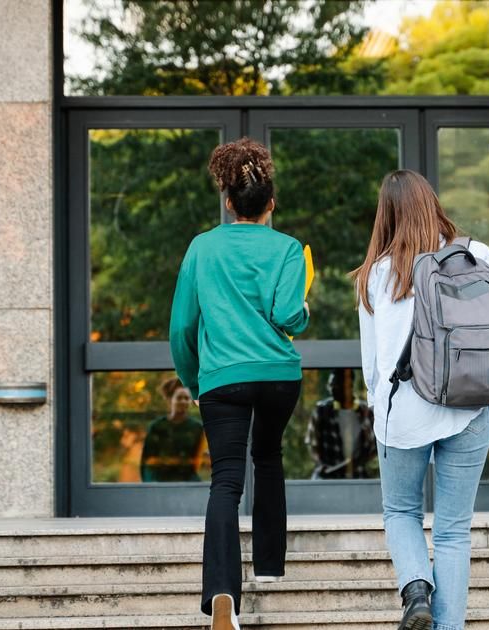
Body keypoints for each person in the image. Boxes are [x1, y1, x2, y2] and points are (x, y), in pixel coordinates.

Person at [354, 170, 489, 630]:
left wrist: (376, 408)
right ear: (432, 203)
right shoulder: (475, 254)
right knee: (453, 531)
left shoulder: (376, 273)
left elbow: (372, 365)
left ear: (386, 214)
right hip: (469, 404)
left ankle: (417, 588)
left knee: (400, 510)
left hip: (403, 409)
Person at [169, 137, 309, 630]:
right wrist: (304, 309)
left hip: (222, 380)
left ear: (229, 202)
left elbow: (182, 327)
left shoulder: (202, 247)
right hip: (277, 376)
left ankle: (223, 592)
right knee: (268, 456)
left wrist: (197, 379)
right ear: (270, 203)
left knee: (226, 480)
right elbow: (290, 315)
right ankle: (270, 567)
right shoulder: (288, 248)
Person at [305, 369, 376, 480]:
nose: (331, 388)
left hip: (357, 478)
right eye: (330, 385)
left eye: (335, 384)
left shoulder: (364, 412)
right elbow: (312, 444)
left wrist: (349, 466)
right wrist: (322, 467)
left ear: (349, 385)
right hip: (326, 478)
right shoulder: (322, 410)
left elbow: (372, 449)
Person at [140, 377, 207, 482]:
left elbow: (199, 461)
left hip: (187, 481)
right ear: (170, 399)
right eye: (179, 398)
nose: (183, 401)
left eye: (186, 398)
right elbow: (147, 461)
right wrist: (150, 485)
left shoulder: (197, 428)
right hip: (159, 481)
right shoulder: (157, 426)